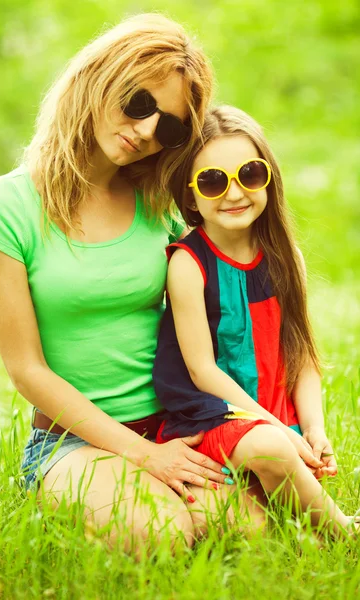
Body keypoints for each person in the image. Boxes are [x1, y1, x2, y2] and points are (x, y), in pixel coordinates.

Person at [0, 14, 230, 554]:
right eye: (139, 104)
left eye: (169, 127)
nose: (145, 131)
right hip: (70, 441)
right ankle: (64, 505)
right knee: (168, 537)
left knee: (248, 529)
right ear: (99, 77)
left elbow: (226, 299)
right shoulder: (7, 204)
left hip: (171, 424)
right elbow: (26, 370)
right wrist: (142, 458)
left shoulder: (160, 205)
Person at [153, 105, 359, 537]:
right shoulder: (188, 265)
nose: (233, 193)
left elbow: (301, 356)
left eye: (249, 174)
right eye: (212, 181)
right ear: (190, 196)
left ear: (268, 178)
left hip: (275, 421)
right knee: (252, 524)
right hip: (214, 417)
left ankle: (298, 512)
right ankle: (343, 531)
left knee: (270, 520)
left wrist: (313, 431)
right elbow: (202, 371)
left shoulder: (287, 260)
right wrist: (275, 430)